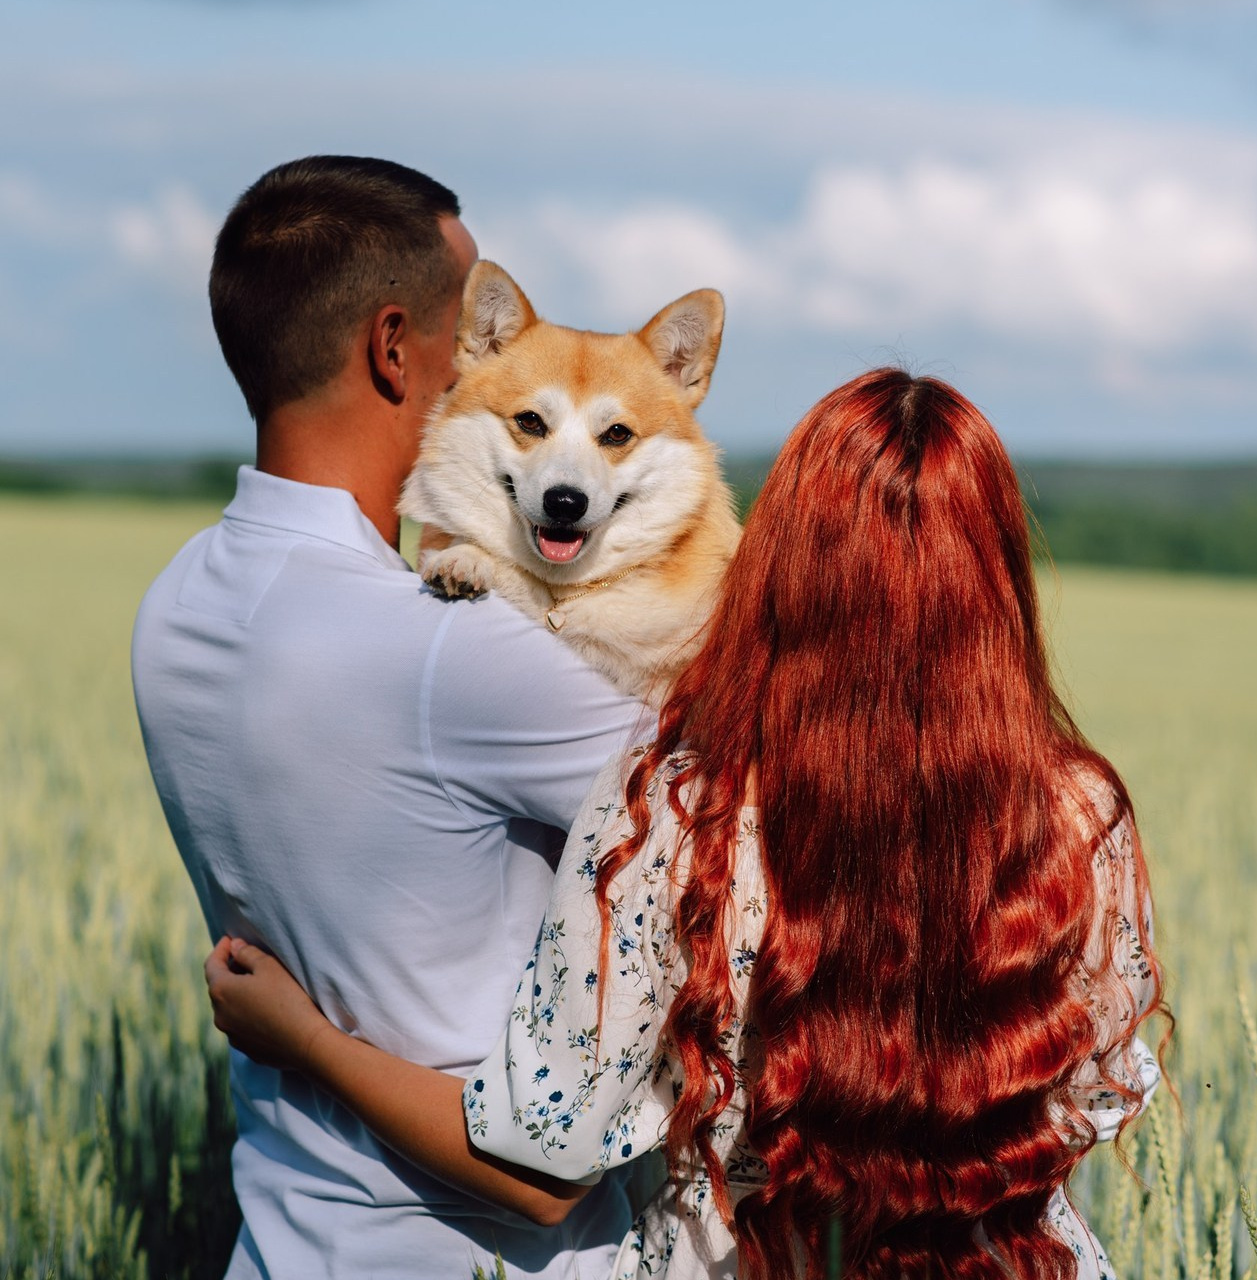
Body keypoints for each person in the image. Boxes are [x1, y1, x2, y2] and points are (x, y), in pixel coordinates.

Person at [204, 368, 1165, 1279]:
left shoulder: (675, 808)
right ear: (1000, 581)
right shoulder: (1085, 815)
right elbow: (1095, 1092)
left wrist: (309, 1040)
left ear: (784, 563)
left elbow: (547, 1148)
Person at [132, 155, 647, 1280]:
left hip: (278, 1244)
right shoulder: (455, 651)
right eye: (479, 335)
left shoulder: (170, 606)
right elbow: (758, 820)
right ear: (394, 346)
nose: (504, 366)